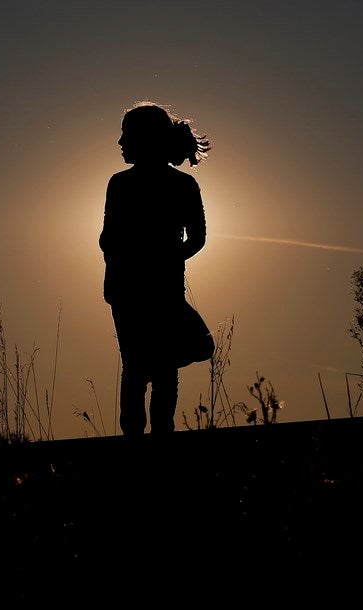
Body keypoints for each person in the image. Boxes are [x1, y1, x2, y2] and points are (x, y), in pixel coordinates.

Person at [98, 101, 211, 437]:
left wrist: (165, 258)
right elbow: (108, 238)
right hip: (133, 288)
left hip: (148, 287)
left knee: (148, 367)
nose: (120, 143)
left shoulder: (176, 185)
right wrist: (164, 257)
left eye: (126, 135)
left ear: (144, 139)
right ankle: (149, 438)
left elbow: (197, 238)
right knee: (149, 368)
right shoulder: (121, 184)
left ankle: (150, 439)